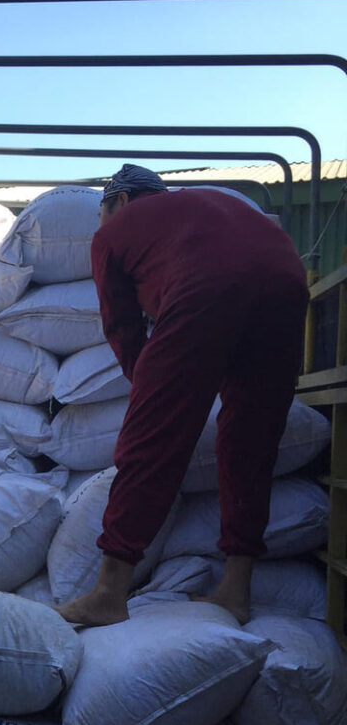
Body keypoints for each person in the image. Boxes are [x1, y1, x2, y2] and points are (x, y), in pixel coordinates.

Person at [56, 164, 310, 628]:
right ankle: (235, 592)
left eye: (101, 213)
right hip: (288, 281)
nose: (100, 224)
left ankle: (109, 592)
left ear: (121, 201)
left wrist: (151, 390)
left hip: (207, 285)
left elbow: (122, 327)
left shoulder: (115, 232)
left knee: (152, 441)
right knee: (252, 441)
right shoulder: (212, 205)